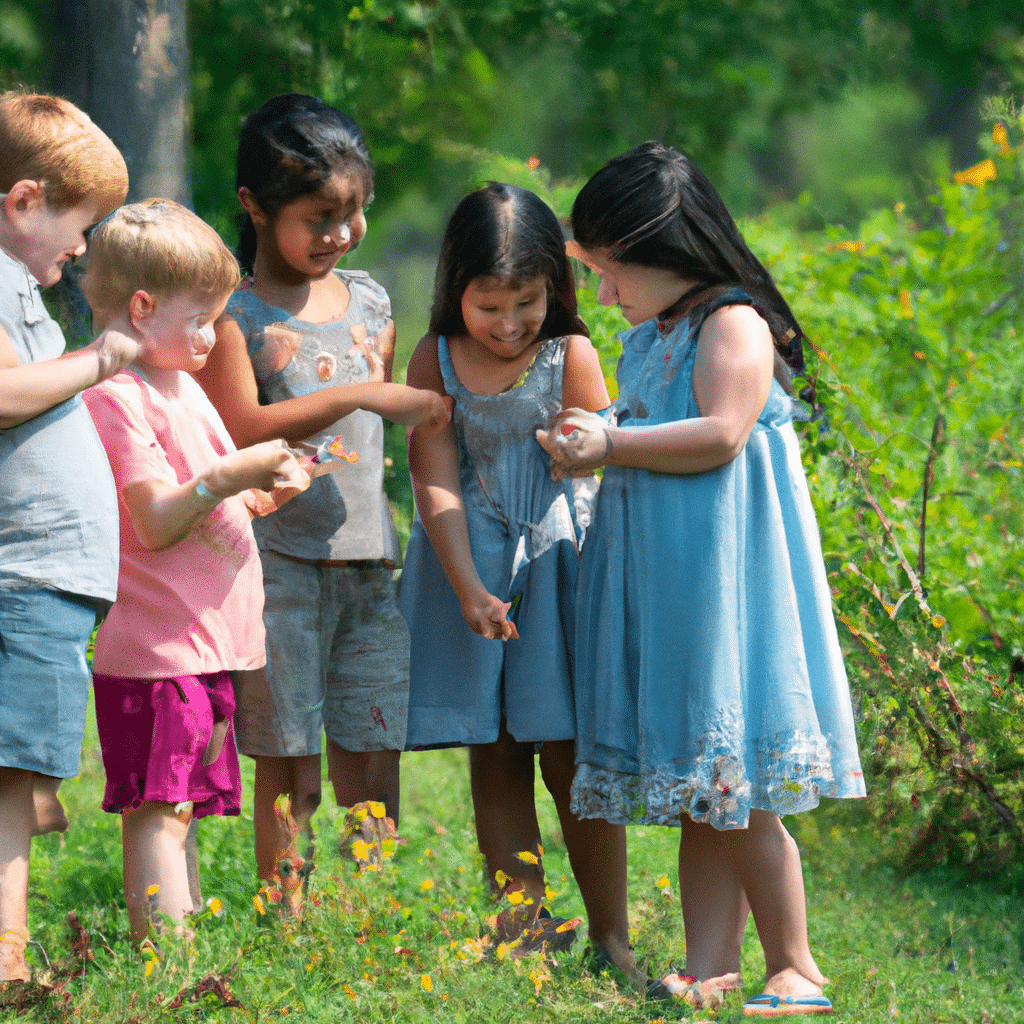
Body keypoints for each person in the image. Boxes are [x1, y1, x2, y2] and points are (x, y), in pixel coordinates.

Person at [537, 142, 866, 1016]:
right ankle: (709, 959)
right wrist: (600, 425)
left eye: (612, 274)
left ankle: (795, 963)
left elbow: (721, 430)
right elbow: (650, 418)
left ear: (668, 249)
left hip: (725, 582)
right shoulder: (657, 332)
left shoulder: (734, 322)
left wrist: (611, 444)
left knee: (740, 790)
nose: (604, 296)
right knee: (702, 789)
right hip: (674, 584)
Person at [194, 93, 448, 884]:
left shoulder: (371, 298)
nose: (340, 234)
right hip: (277, 569)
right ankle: (291, 922)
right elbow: (240, 425)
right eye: (319, 216)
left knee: (374, 756)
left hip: (370, 563)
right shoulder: (231, 313)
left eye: (355, 212)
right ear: (256, 208)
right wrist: (359, 396)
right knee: (291, 760)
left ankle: (366, 917)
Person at [398, 182, 642, 983]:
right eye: (488, 305)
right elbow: (432, 475)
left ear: (554, 290)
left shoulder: (569, 355)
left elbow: (598, 460)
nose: (508, 325)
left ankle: (613, 935)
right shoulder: (433, 357)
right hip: (469, 570)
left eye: (527, 303)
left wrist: (585, 443)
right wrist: (466, 584)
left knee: (572, 759)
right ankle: (522, 928)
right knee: (495, 756)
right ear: (454, 289)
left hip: (557, 570)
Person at [80, 199, 308, 945]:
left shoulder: (184, 390)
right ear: (142, 309)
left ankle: (181, 949)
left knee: (181, 809)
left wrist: (257, 492)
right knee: (159, 810)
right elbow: (154, 518)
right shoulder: (118, 398)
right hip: (158, 651)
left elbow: (210, 505)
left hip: (206, 648)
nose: (214, 337)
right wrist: (221, 479)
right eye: (200, 319)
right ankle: (165, 962)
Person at [0, 91, 137, 982]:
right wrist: (101, 359)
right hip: (24, 577)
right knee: (11, 786)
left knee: (27, 779)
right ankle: (7, 967)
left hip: (49, 582)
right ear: (21, 203)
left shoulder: (23, 288)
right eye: (77, 225)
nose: (82, 247)